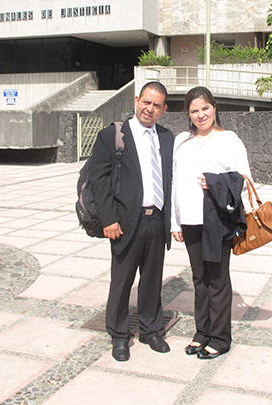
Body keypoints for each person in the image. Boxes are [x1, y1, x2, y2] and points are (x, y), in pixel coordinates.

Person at [87, 81, 175, 362]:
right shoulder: (113, 135)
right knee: (122, 281)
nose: (150, 109)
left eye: (157, 105)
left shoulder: (167, 138)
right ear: (137, 100)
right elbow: (98, 180)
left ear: (163, 109)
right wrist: (109, 219)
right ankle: (119, 334)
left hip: (156, 219)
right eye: (146, 102)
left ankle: (150, 330)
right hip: (124, 222)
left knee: (152, 280)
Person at [171, 86, 251, 360]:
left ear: (214, 108)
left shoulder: (230, 140)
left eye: (205, 108)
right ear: (188, 113)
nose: (201, 115)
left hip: (217, 220)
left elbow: (244, 180)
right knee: (199, 278)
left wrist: (216, 182)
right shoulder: (181, 140)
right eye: (194, 110)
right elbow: (174, 181)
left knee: (217, 279)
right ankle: (202, 332)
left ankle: (220, 338)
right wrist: (175, 222)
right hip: (190, 220)